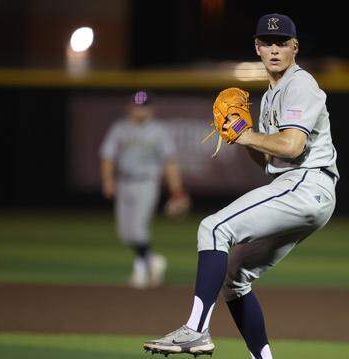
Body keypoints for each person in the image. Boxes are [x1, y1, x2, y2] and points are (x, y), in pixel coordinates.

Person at [143, 13, 338, 358]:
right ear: (257, 48)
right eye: (267, 42)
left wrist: (247, 133)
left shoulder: (300, 84)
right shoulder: (267, 99)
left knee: (213, 227)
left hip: (307, 182)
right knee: (234, 278)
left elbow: (292, 147)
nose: (274, 49)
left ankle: (196, 331)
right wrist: (242, 137)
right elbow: (267, 162)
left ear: (295, 47)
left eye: (282, 43)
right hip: (298, 188)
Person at [100, 90, 191, 289]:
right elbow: (108, 156)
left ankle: (140, 271)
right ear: (129, 107)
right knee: (125, 233)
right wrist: (107, 180)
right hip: (123, 182)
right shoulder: (120, 128)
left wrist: (177, 190)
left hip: (146, 183)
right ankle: (153, 260)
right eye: (137, 106)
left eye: (144, 107)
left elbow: (170, 162)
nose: (140, 110)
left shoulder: (159, 131)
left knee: (139, 228)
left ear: (151, 109)